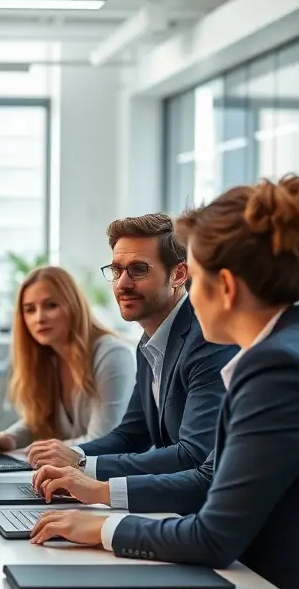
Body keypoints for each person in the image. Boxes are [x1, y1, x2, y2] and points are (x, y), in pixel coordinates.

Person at [30, 175, 299, 589]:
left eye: (194, 275)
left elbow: (214, 536)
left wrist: (102, 526)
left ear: (227, 286)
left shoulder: (284, 367)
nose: (191, 294)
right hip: (289, 586)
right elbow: (214, 478)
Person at [25, 214, 237, 509]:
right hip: (170, 507)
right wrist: (71, 456)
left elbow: (194, 454)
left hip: (199, 517)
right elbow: (131, 436)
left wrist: (84, 466)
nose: (122, 283)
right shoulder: (148, 342)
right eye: (116, 270)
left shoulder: (206, 339)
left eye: (138, 270)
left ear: (178, 275)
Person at [0, 265, 135, 452]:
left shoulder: (112, 355)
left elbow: (101, 440)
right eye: (29, 309)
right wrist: (9, 438)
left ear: (73, 305)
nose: (39, 318)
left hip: (114, 476)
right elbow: (39, 419)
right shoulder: (48, 357)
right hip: (74, 475)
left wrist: (28, 453)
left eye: (50, 305)